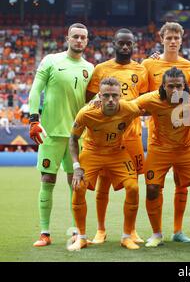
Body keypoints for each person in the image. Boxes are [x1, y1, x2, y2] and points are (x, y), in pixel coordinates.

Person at [28, 23, 94, 247]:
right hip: (51, 134)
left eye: (83, 37)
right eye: (75, 36)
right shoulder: (51, 60)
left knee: (76, 183)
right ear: (67, 38)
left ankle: (78, 232)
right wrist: (33, 118)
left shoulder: (90, 68)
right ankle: (45, 233)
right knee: (47, 180)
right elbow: (36, 89)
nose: (79, 40)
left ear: (87, 41)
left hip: (77, 136)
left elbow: (93, 102)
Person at [133, 67, 190, 247]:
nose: (175, 90)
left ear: (185, 85)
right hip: (159, 149)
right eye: (171, 86)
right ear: (163, 86)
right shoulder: (151, 98)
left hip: (185, 149)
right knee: (152, 189)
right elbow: (129, 107)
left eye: (179, 86)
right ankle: (156, 234)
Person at [85, 28, 147, 245]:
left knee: (134, 183)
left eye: (128, 43)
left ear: (134, 44)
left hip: (132, 135)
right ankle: (101, 230)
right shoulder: (101, 69)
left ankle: (131, 230)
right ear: (113, 44)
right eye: (121, 43)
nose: (125, 47)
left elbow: (144, 102)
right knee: (103, 182)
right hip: (107, 137)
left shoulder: (141, 70)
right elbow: (90, 100)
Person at [68, 77, 142, 251]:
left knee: (133, 187)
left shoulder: (129, 108)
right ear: (99, 96)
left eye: (114, 96)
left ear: (121, 95)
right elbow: (73, 138)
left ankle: (126, 237)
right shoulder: (86, 112)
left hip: (117, 152)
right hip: (92, 152)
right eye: (106, 95)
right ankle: (82, 237)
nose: (110, 100)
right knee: (78, 187)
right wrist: (76, 167)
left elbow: (151, 106)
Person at [141, 22, 190, 243]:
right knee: (155, 186)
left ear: (182, 40)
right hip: (158, 136)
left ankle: (178, 230)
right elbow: (143, 96)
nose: (173, 41)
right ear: (161, 38)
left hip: (183, 136)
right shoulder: (148, 64)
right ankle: (156, 233)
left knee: (182, 185)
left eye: (176, 38)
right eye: (169, 37)